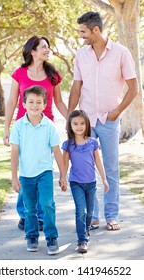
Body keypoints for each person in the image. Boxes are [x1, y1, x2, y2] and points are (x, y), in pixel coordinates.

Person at [67, 11, 138, 231]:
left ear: (95, 30)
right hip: (86, 122)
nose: (81, 36)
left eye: (83, 32)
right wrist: (71, 117)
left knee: (110, 169)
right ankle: (93, 215)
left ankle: (111, 215)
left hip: (109, 121)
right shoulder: (81, 55)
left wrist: (116, 112)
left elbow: (134, 87)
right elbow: (76, 87)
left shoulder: (121, 53)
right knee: (86, 170)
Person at [3, 35, 67, 231]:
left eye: (48, 47)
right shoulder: (20, 73)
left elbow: (58, 102)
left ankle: (39, 215)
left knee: (42, 169)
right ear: (33, 51)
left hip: (45, 127)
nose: (48, 50)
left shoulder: (52, 73)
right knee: (26, 170)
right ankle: (24, 214)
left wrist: (71, 120)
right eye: (44, 47)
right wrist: (6, 128)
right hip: (24, 127)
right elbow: (12, 102)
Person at [9, 85, 67, 254]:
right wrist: (14, 177)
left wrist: (63, 175)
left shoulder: (49, 126)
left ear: (44, 105)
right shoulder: (18, 126)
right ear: (24, 104)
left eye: (39, 102)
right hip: (26, 175)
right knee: (29, 208)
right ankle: (32, 236)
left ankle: (51, 237)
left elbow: (57, 151)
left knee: (48, 204)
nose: (35, 105)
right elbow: (14, 152)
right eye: (31, 101)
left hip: (44, 173)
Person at [62, 110, 109, 253]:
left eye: (82, 123)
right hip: (76, 182)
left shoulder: (93, 143)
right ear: (70, 125)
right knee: (80, 211)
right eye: (75, 124)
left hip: (91, 183)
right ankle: (82, 240)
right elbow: (64, 164)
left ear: (87, 124)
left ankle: (86, 229)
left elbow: (99, 162)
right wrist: (62, 178)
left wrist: (104, 179)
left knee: (90, 212)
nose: (79, 126)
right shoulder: (68, 144)